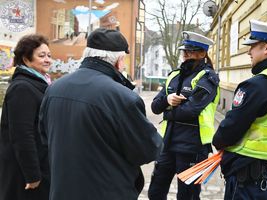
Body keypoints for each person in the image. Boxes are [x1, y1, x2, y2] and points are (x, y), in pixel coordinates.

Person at [38, 28, 163, 200]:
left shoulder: (54, 89)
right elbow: (148, 150)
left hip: (62, 191)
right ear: (119, 61)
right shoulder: (123, 97)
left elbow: (44, 138)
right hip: (107, 192)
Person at [213, 19, 267, 200]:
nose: (249, 51)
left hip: (250, 180)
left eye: (253, 46)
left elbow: (228, 131)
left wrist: (218, 141)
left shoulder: (258, 84)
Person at [148, 31, 220, 200]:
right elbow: (155, 107)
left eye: (191, 51)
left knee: (188, 196)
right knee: (155, 191)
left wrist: (167, 112)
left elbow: (190, 111)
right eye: (184, 51)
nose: (186, 55)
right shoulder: (174, 76)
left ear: (202, 54)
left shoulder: (208, 78)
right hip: (167, 143)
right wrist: (167, 99)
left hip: (193, 147)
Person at [0, 34, 52, 200]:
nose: (48, 60)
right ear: (26, 59)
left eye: (49, 56)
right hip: (24, 173)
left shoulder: (37, 84)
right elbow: (22, 135)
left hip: (38, 165)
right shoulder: (22, 88)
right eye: (41, 55)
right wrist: (32, 174)